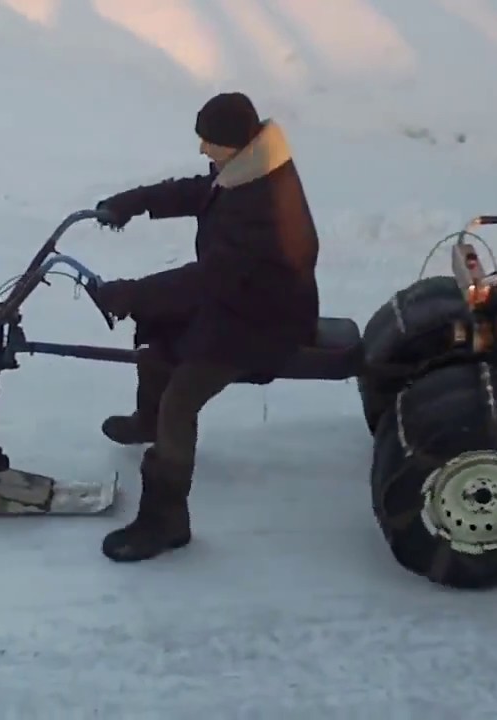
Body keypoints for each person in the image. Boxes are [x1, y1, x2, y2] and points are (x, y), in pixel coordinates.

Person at [90, 91, 321, 563]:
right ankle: (147, 422)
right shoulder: (251, 168)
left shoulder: (264, 205)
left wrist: (131, 293)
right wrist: (133, 202)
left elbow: (208, 279)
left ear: (235, 144)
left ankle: (166, 519)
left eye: (209, 142)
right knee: (159, 341)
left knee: (181, 397)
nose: (202, 150)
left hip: (266, 319)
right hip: (242, 299)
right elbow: (201, 191)